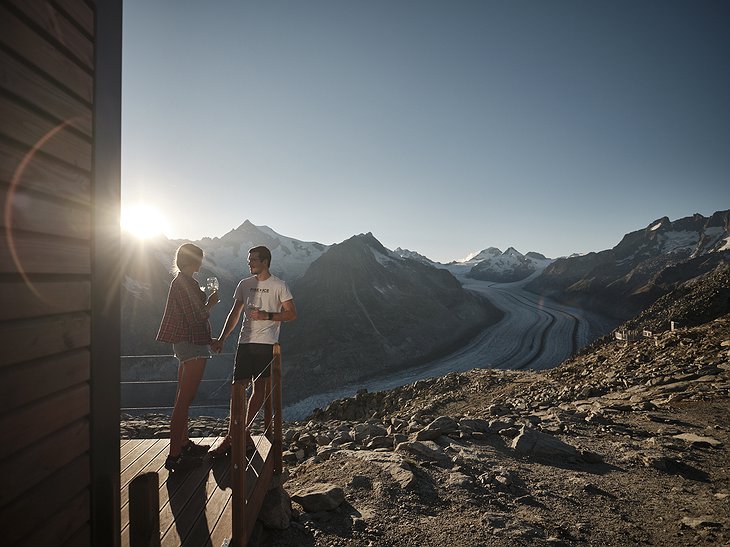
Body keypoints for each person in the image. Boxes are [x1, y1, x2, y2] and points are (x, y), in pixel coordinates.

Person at [209, 245, 297, 457]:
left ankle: (236, 435)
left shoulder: (279, 285)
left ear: (265, 261)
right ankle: (238, 434)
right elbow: (235, 313)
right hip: (245, 342)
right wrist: (222, 338)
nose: (249, 263)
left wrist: (266, 316)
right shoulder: (244, 284)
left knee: (259, 390)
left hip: (267, 343)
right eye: (249, 260)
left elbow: (291, 314)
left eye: (253, 260)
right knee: (237, 388)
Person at [156, 243, 219, 472]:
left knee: (182, 397)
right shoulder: (183, 283)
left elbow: (190, 318)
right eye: (199, 258)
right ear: (192, 260)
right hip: (191, 347)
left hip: (188, 343)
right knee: (185, 399)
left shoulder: (184, 282)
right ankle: (175, 456)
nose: (201, 262)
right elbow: (196, 317)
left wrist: (209, 339)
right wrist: (211, 303)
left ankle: (183, 444)